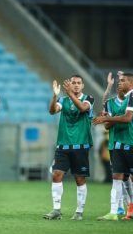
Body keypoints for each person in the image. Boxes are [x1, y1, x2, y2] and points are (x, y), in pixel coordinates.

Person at [94, 73, 133, 222]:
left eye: (123, 81)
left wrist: (107, 117)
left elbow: (128, 118)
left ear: (131, 83)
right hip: (117, 144)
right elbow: (108, 126)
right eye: (119, 81)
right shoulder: (113, 102)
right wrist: (107, 118)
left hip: (132, 143)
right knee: (117, 177)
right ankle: (113, 212)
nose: (119, 83)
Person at [43, 75, 94, 221]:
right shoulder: (63, 100)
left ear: (82, 85)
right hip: (63, 144)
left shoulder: (89, 99)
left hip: (81, 144)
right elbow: (52, 111)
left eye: (78, 83)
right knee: (56, 174)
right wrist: (54, 96)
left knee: (79, 179)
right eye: (73, 83)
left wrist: (70, 94)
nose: (76, 85)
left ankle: (79, 211)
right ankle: (56, 210)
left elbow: (83, 108)